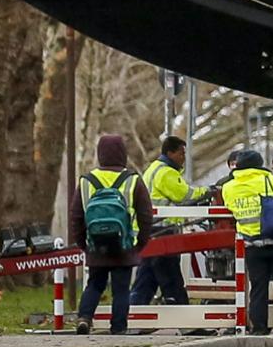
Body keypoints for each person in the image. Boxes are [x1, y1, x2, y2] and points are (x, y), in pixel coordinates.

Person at [73, 133, 156, 335]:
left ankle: (84, 318)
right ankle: (118, 328)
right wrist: (140, 244)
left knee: (94, 284)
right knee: (121, 290)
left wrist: (84, 244)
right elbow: (146, 215)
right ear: (123, 154)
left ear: (99, 154)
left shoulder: (86, 180)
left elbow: (76, 216)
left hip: (96, 246)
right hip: (124, 246)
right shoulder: (133, 180)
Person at [221, 146, 273, 342]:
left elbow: (229, 208)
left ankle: (259, 329)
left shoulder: (229, 187)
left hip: (252, 245)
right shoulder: (271, 180)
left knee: (258, 289)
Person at [127, 134, 196, 310]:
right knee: (170, 275)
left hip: (149, 230)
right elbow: (184, 196)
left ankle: (133, 314)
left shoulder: (153, 168)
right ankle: (185, 320)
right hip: (162, 230)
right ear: (170, 153)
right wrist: (208, 192)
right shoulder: (166, 172)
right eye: (181, 153)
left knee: (146, 277)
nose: (183, 158)